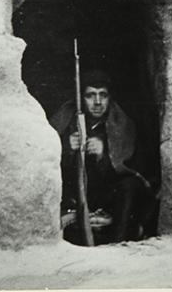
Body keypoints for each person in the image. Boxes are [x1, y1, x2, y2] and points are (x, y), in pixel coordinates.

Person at [48, 69, 151, 244]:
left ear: (110, 98)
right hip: (74, 198)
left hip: (107, 198)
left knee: (130, 187)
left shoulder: (121, 125)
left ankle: (120, 243)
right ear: (81, 98)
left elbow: (134, 172)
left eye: (103, 95)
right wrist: (66, 149)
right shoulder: (65, 121)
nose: (97, 102)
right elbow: (48, 164)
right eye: (90, 95)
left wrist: (105, 155)